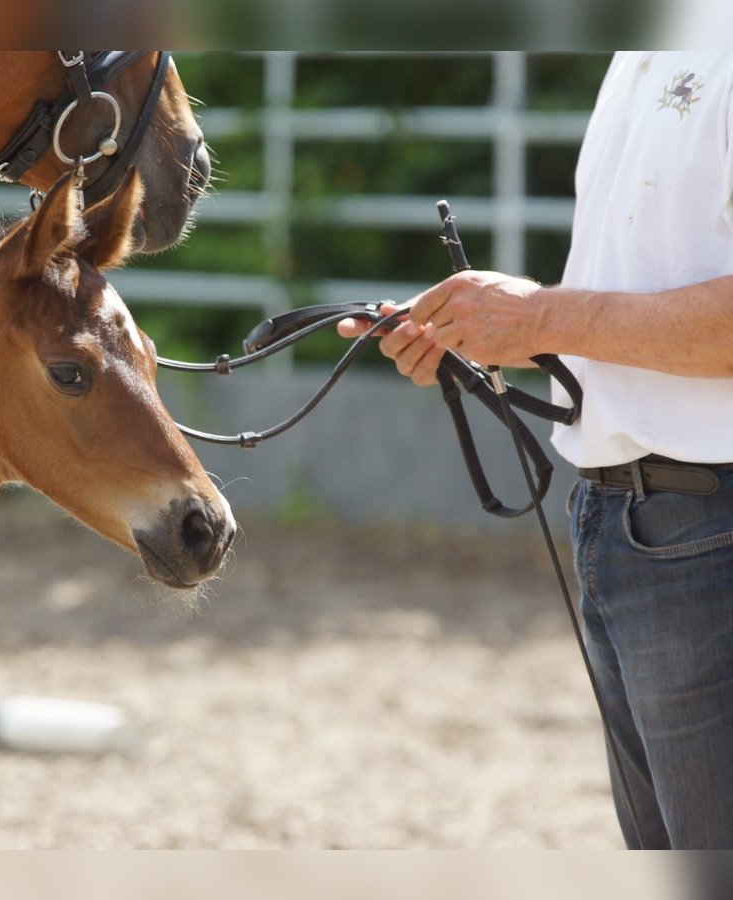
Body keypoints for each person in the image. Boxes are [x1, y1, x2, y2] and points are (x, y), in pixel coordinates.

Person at [340, 51, 733, 849]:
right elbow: (635, 287)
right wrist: (487, 327)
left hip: (706, 526)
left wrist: (543, 319)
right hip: (622, 516)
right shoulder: (638, 58)